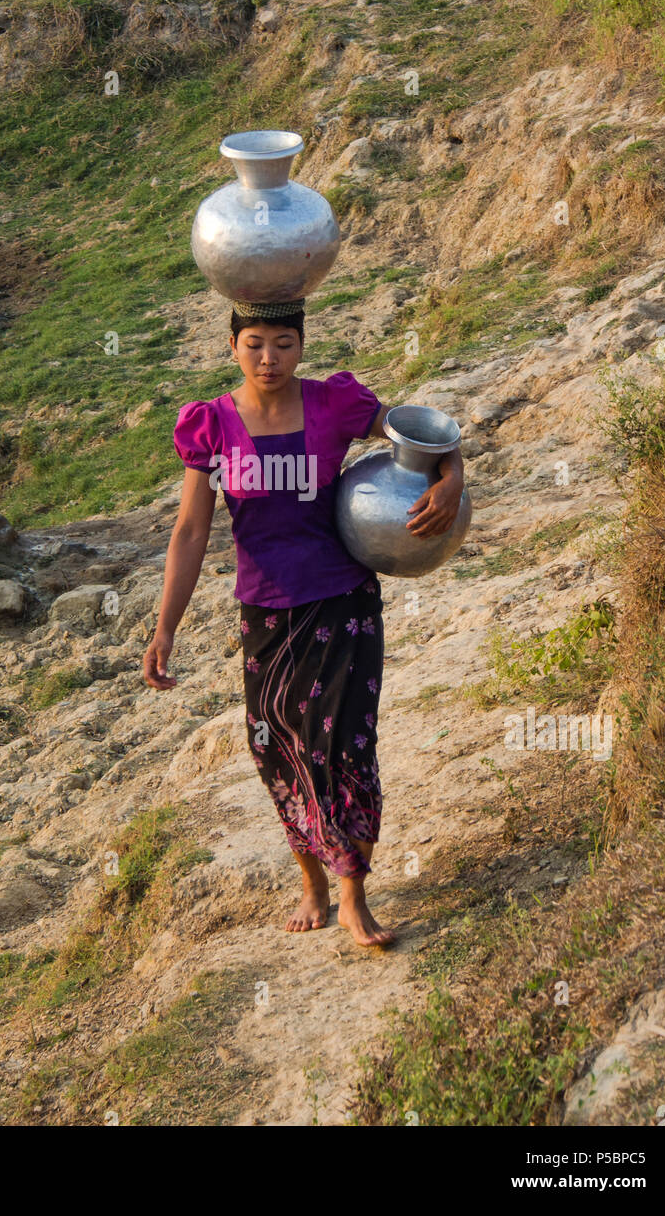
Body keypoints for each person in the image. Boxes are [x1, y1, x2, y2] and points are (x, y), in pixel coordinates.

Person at [143, 297, 464, 947]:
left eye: (284, 343)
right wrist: (165, 628)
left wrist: (452, 482)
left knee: (345, 749)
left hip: (343, 606)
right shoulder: (211, 427)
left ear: (301, 345)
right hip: (265, 615)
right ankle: (312, 883)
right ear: (232, 346)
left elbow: (433, 440)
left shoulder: (332, 405)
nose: (269, 357)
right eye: (255, 342)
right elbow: (190, 530)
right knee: (278, 752)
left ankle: (352, 895)